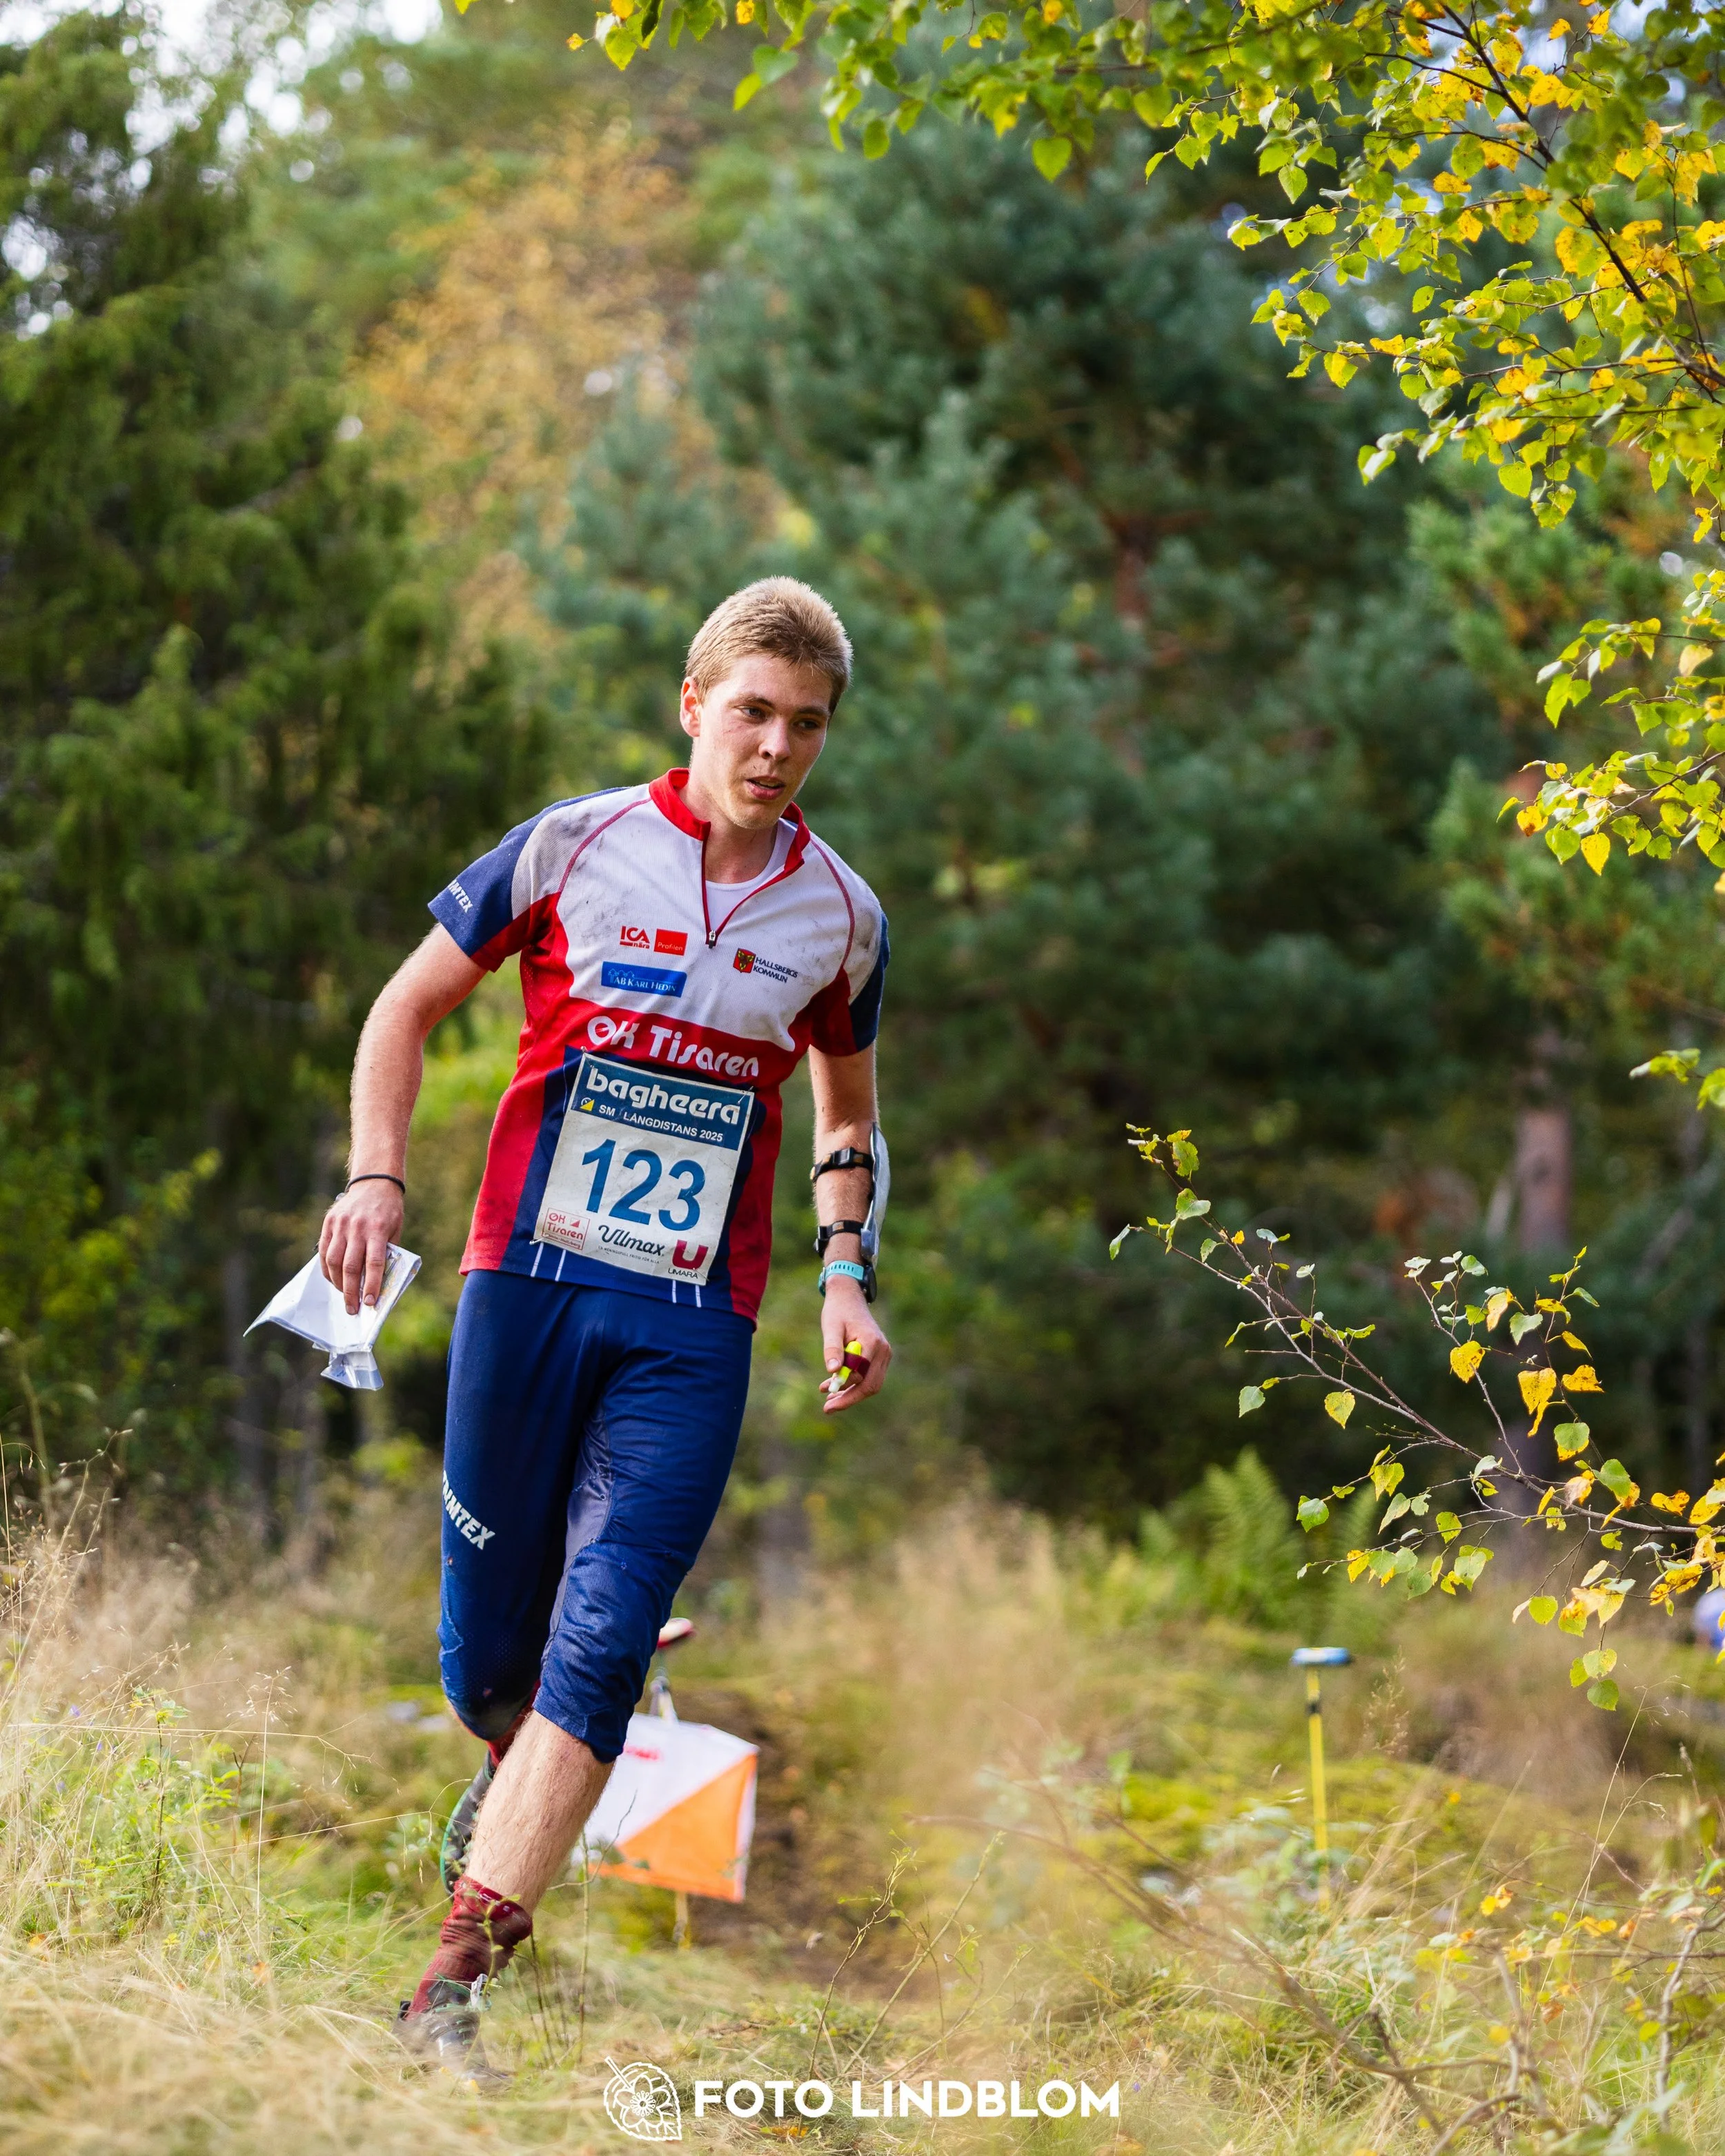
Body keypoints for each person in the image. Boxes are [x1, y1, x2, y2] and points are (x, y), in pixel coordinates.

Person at [316, 578, 891, 2078]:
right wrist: (376, 1175)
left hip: (694, 1322)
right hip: (526, 1284)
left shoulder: (842, 918)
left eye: (808, 724)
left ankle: (450, 1983)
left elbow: (846, 1115)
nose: (777, 747)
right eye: (753, 711)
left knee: (609, 1613)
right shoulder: (570, 845)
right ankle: (519, 1747)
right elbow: (401, 1008)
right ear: (693, 704)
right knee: (485, 1666)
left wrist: (845, 1272)